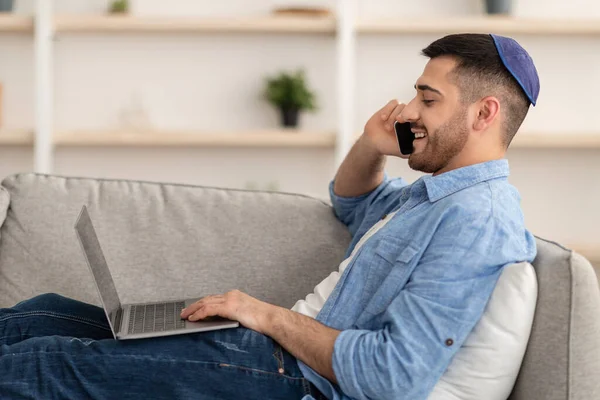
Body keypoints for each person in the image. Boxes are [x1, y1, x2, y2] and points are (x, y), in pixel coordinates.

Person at [0, 33, 539, 400]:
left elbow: (393, 375)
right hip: (266, 349)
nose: (409, 111)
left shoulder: (476, 220)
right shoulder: (435, 197)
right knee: (39, 315)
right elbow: (349, 200)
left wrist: (264, 315)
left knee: (46, 365)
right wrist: (372, 143)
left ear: (484, 113)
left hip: (286, 376)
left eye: (428, 98)